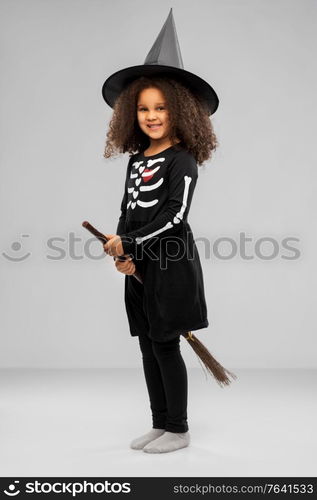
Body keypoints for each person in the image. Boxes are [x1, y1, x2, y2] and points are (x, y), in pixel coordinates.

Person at [101, 9, 219, 454]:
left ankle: (180, 428)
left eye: (161, 107)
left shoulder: (182, 160)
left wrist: (131, 241)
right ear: (132, 114)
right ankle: (159, 422)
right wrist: (120, 250)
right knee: (147, 344)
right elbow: (127, 210)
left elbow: (174, 217)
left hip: (170, 262)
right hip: (138, 261)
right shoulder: (136, 160)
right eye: (144, 108)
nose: (152, 116)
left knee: (166, 343)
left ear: (181, 110)